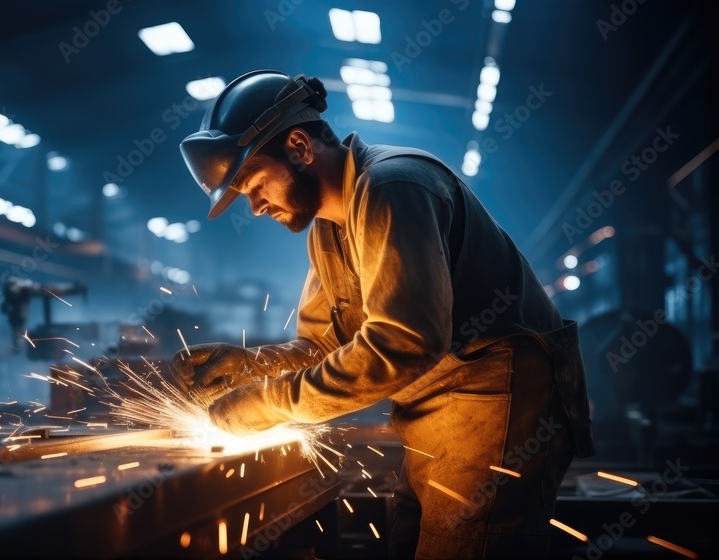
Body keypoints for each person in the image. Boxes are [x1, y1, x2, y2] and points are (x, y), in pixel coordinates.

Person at [171, 70, 594, 559]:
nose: (256, 206)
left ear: (299, 146)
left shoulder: (395, 187)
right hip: (433, 410)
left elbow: (404, 342)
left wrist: (267, 403)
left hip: (498, 399)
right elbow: (323, 347)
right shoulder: (328, 229)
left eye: (255, 183)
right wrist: (249, 366)